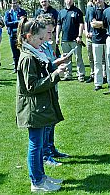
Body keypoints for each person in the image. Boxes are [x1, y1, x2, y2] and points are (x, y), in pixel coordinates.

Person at [16, 17, 67, 192]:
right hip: (33, 108)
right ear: (29, 37)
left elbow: (41, 71)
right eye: (40, 38)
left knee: (38, 145)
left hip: (38, 107)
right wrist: (55, 75)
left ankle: (41, 177)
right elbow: (32, 86)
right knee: (35, 145)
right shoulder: (28, 57)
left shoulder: (34, 53)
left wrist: (55, 65)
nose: (43, 41)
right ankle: (36, 182)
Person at [37, 14, 70, 167]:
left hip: (52, 85)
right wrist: (58, 64)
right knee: (47, 123)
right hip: (46, 86)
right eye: (49, 32)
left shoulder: (48, 45)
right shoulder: (38, 47)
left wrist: (60, 61)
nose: (52, 35)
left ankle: (51, 148)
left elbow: (50, 64)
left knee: (53, 120)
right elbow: (45, 68)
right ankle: (45, 155)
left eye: (52, 32)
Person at [56, 0, 86, 82]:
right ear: (65, 0)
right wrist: (57, 36)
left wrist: (79, 36)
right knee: (66, 59)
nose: (69, 1)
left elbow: (81, 24)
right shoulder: (61, 12)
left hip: (75, 40)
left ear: (73, 0)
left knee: (78, 58)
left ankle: (80, 75)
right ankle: (68, 74)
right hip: (65, 40)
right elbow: (59, 25)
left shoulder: (77, 11)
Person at [88, 0, 108, 91]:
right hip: (96, 39)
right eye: (95, 0)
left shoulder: (108, 9)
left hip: (108, 38)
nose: (98, 1)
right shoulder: (92, 10)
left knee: (109, 62)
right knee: (97, 62)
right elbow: (93, 24)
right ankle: (98, 83)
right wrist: (105, 24)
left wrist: (100, 23)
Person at [4, 0, 27, 73]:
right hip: (12, 35)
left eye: (16, 3)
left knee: (23, 51)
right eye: (13, 3)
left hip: (21, 34)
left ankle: (23, 67)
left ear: (18, 3)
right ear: (10, 4)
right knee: (15, 52)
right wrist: (18, 22)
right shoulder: (8, 13)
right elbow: (7, 23)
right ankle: (16, 68)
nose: (14, 5)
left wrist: (20, 22)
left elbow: (25, 22)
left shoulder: (23, 12)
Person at [84, 0, 97, 83]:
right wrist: (86, 31)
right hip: (88, 36)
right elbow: (86, 21)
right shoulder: (88, 8)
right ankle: (93, 74)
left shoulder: (99, 7)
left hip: (97, 36)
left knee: (100, 58)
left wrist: (92, 32)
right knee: (91, 57)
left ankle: (103, 75)